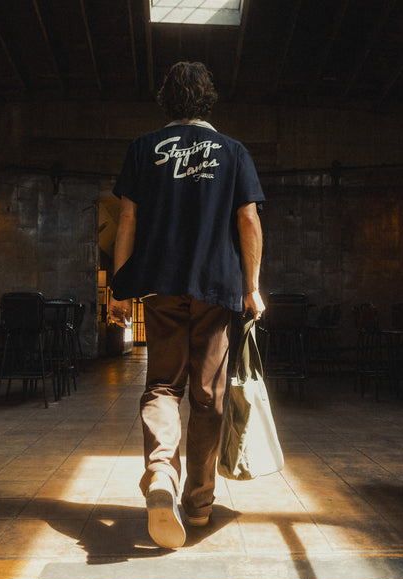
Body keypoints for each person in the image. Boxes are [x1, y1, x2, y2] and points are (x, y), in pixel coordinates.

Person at [108, 61, 266, 549]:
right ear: (207, 99)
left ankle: (161, 476)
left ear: (166, 101)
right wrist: (252, 285)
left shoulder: (142, 148)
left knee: (161, 385)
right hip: (215, 289)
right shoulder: (234, 152)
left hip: (159, 285)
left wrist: (118, 286)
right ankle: (198, 506)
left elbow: (127, 218)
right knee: (207, 396)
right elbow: (248, 221)